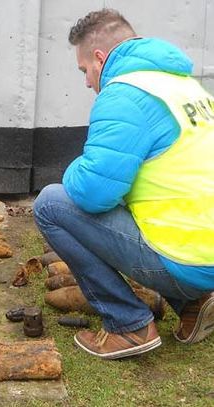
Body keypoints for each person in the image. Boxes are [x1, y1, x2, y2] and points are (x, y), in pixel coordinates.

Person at [34, 8, 214, 360]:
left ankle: (127, 324)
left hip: (185, 260)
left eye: (85, 70)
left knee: (52, 203)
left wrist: (73, 167)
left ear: (100, 59)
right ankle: (196, 303)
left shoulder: (124, 94)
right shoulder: (189, 89)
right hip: (205, 252)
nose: (87, 81)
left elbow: (93, 193)